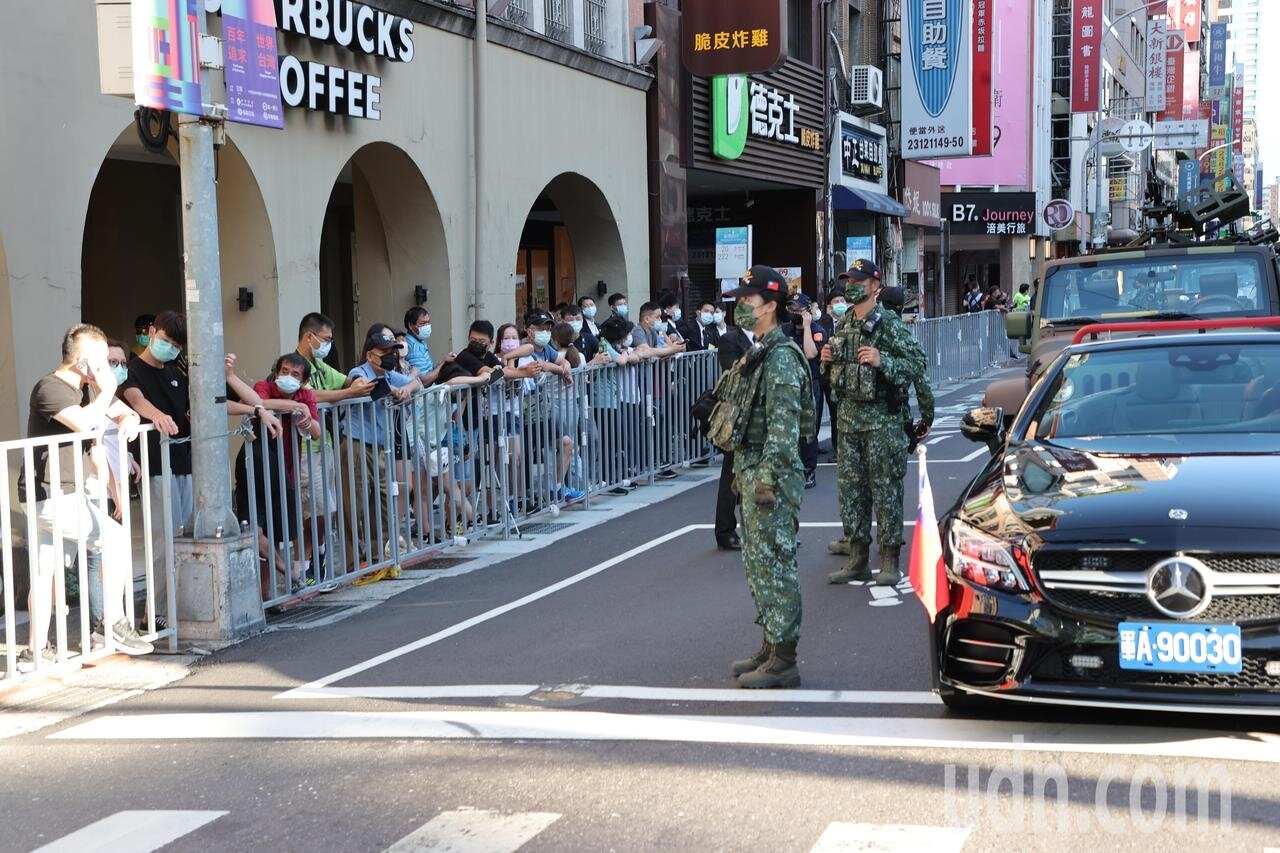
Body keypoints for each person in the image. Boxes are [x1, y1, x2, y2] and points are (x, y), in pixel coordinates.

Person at [21, 324, 152, 668]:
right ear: (83, 362)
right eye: (101, 363)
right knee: (111, 539)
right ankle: (112, 622)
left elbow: (116, 413)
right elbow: (84, 424)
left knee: (45, 570)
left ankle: (36, 649)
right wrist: (108, 390)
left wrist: (130, 416)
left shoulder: (82, 390)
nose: (108, 371)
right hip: (49, 494)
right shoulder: (50, 387)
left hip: (62, 493)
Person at [710, 266, 814, 689]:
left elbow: (783, 429)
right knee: (757, 564)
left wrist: (766, 480)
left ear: (770, 306)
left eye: (747, 301)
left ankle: (784, 658)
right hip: (752, 470)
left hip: (770, 477)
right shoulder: (759, 351)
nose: (740, 307)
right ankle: (771, 643)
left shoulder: (781, 357)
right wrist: (743, 473)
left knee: (775, 565)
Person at [821, 260, 929, 586]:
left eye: (858, 280)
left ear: (874, 286)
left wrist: (884, 361)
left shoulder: (889, 324)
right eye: (848, 280)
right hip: (849, 420)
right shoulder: (843, 323)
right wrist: (827, 361)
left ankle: (890, 560)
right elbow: (836, 373)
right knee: (851, 492)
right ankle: (857, 559)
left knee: (885, 491)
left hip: (882, 421)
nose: (851, 285)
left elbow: (916, 363)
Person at [236, 353, 323, 599]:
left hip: (286, 470)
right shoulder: (264, 386)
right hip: (256, 465)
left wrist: (305, 416)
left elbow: (316, 432)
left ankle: (269, 596)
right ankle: (286, 574)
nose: (287, 377)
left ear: (304, 381)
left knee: (275, 534)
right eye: (284, 371)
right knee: (255, 528)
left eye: (295, 374)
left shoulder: (305, 395)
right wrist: (298, 407)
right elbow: (260, 403)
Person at [343, 328, 423, 563]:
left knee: (383, 501)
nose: (390, 356)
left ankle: (380, 557)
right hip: (357, 445)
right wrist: (394, 390)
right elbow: (360, 384)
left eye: (392, 351)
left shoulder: (389, 374)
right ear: (370, 355)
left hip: (379, 446)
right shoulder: (360, 371)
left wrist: (406, 389)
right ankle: (353, 561)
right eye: (385, 351)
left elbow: (416, 382)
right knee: (354, 505)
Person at [878, 286, 935, 456]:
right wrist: (927, 418)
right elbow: (920, 376)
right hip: (891, 412)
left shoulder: (858, 321)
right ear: (900, 307)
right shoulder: (897, 330)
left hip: (854, 418)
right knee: (890, 475)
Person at [713, 312, 753, 550]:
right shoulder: (730, 340)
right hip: (737, 414)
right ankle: (725, 530)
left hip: (763, 414)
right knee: (732, 474)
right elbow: (735, 372)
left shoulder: (770, 338)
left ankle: (767, 531)